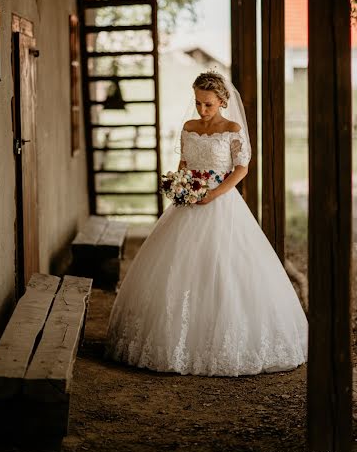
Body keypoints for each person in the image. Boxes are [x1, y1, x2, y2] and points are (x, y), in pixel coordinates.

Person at [104, 70, 308, 377]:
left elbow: (241, 170)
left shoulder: (232, 129)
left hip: (222, 203)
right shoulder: (189, 127)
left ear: (222, 100)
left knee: (225, 268)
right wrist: (180, 186)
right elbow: (184, 164)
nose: (202, 109)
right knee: (177, 267)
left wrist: (213, 194)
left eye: (208, 104)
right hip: (188, 203)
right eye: (198, 103)